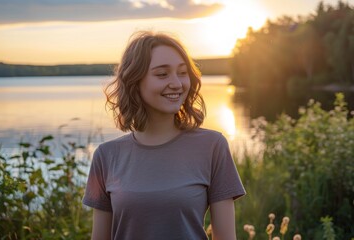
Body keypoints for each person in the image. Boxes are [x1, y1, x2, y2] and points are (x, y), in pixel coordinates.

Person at [82, 31, 246, 240]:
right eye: (162, 74)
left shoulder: (212, 146)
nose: (177, 83)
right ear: (135, 81)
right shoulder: (106, 156)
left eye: (183, 72)